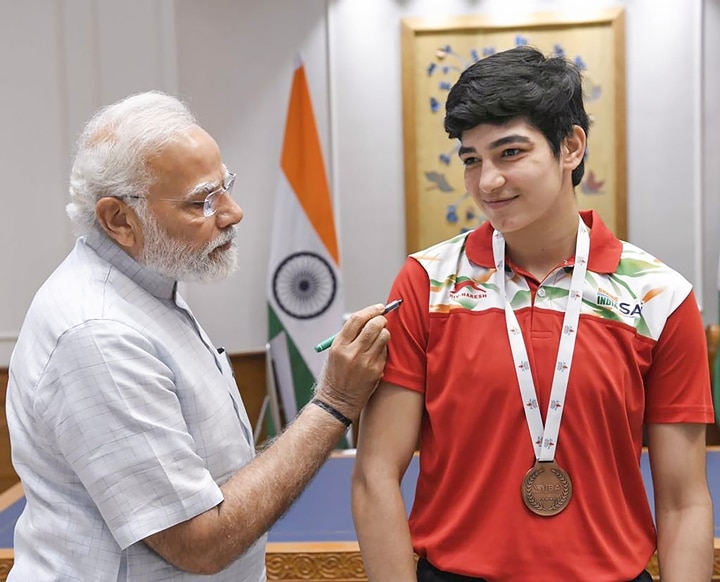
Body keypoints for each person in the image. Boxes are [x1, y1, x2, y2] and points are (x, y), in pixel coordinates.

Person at [351, 45, 714, 582]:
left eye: (510, 152)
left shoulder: (659, 296)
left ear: (571, 147)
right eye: (471, 159)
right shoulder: (428, 284)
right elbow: (375, 474)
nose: (487, 181)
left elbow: (684, 502)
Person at [6, 91, 390, 581]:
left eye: (225, 185)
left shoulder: (148, 281)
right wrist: (335, 401)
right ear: (119, 219)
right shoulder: (98, 334)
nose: (232, 212)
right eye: (202, 201)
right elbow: (200, 545)